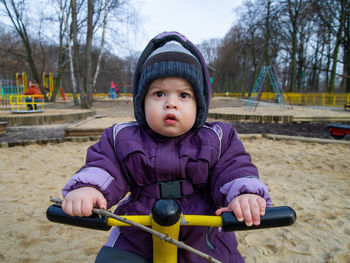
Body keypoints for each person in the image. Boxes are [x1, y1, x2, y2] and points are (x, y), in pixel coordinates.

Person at [61, 31, 272, 263]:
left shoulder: (217, 138)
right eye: (159, 93)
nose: (171, 103)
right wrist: (89, 189)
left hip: (203, 234)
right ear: (142, 102)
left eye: (184, 95)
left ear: (199, 104)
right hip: (138, 232)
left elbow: (234, 167)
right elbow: (105, 166)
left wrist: (245, 195)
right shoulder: (122, 137)